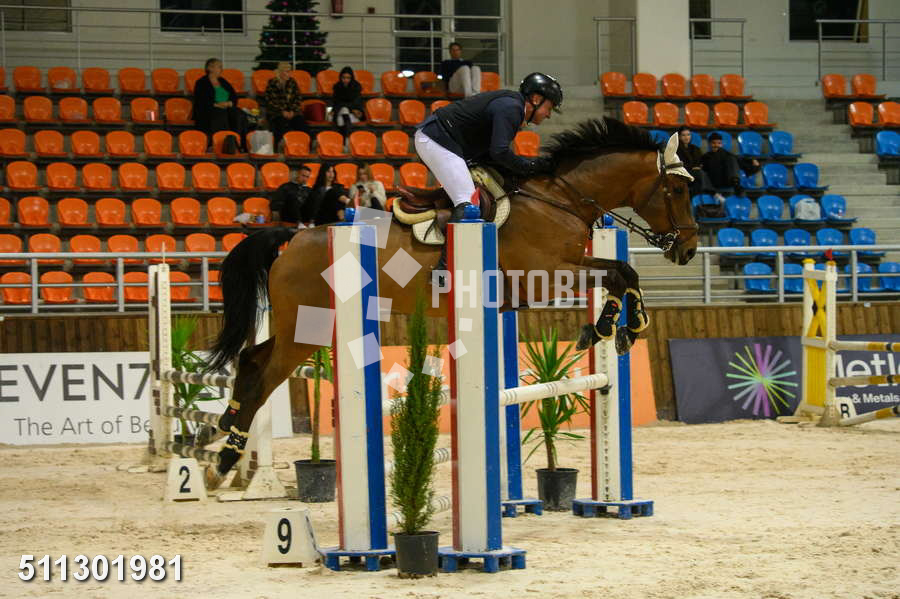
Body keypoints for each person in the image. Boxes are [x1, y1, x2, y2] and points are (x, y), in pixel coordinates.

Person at [414, 72, 561, 279]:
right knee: (468, 202)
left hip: (449, 141)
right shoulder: (512, 108)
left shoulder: (513, 106)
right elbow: (499, 152)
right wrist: (533, 165)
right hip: (437, 140)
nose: (549, 115)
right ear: (536, 99)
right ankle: (444, 270)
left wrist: (531, 165)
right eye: (550, 107)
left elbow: (494, 154)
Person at [193, 58, 249, 150]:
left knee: (239, 114)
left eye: (221, 67)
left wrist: (230, 103)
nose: (221, 69)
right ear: (210, 68)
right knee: (220, 114)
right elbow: (201, 101)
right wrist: (216, 105)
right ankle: (220, 143)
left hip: (226, 107)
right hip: (208, 110)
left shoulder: (223, 81)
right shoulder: (201, 82)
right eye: (219, 67)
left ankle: (238, 143)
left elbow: (233, 96)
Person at [264, 61, 309, 149]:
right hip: (276, 112)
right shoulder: (272, 83)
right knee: (280, 123)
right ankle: (281, 145)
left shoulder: (292, 82)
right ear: (281, 72)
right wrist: (282, 111)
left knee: (300, 122)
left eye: (289, 71)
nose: (289, 73)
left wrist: (292, 111)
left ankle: (307, 144)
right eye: (287, 71)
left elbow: (298, 98)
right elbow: (270, 101)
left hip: (292, 112)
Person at [701, 132, 741, 197]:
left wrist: (752, 161)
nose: (716, 145)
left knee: (731, 159)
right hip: (712, 182)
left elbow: (740, 162)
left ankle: (735, 182)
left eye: (719, 143)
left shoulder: (728, 155)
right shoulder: (705, 157)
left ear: (722, 144)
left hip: (726, 180)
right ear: (709, 144)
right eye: (714, 143)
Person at [676, 126, 713, 196]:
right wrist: (692, 168)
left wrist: (699, 166)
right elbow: (679, 164)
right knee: (700, 174)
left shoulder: (695, 148)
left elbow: (700, 161)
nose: (686, 137)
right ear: (679, 137)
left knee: (700, 178)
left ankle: (699, 198)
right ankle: (712, 192)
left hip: (696, 172)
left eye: (688, 135)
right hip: (683, 173)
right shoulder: (676, 149)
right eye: (683, 135)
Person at [331, 66, 365, 139]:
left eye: (348, 78)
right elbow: (337, 102)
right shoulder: (337, 87)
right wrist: (349, 108)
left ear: (351, 78)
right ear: (340, 77)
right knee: (344, 110)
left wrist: (348, 107)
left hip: (353, 115)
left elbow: (356, 102)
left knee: (341, 120)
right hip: (342, 112)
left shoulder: (356, 87)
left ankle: (343, 141)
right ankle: (346, 140)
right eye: (343, 78)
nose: (345, 80)